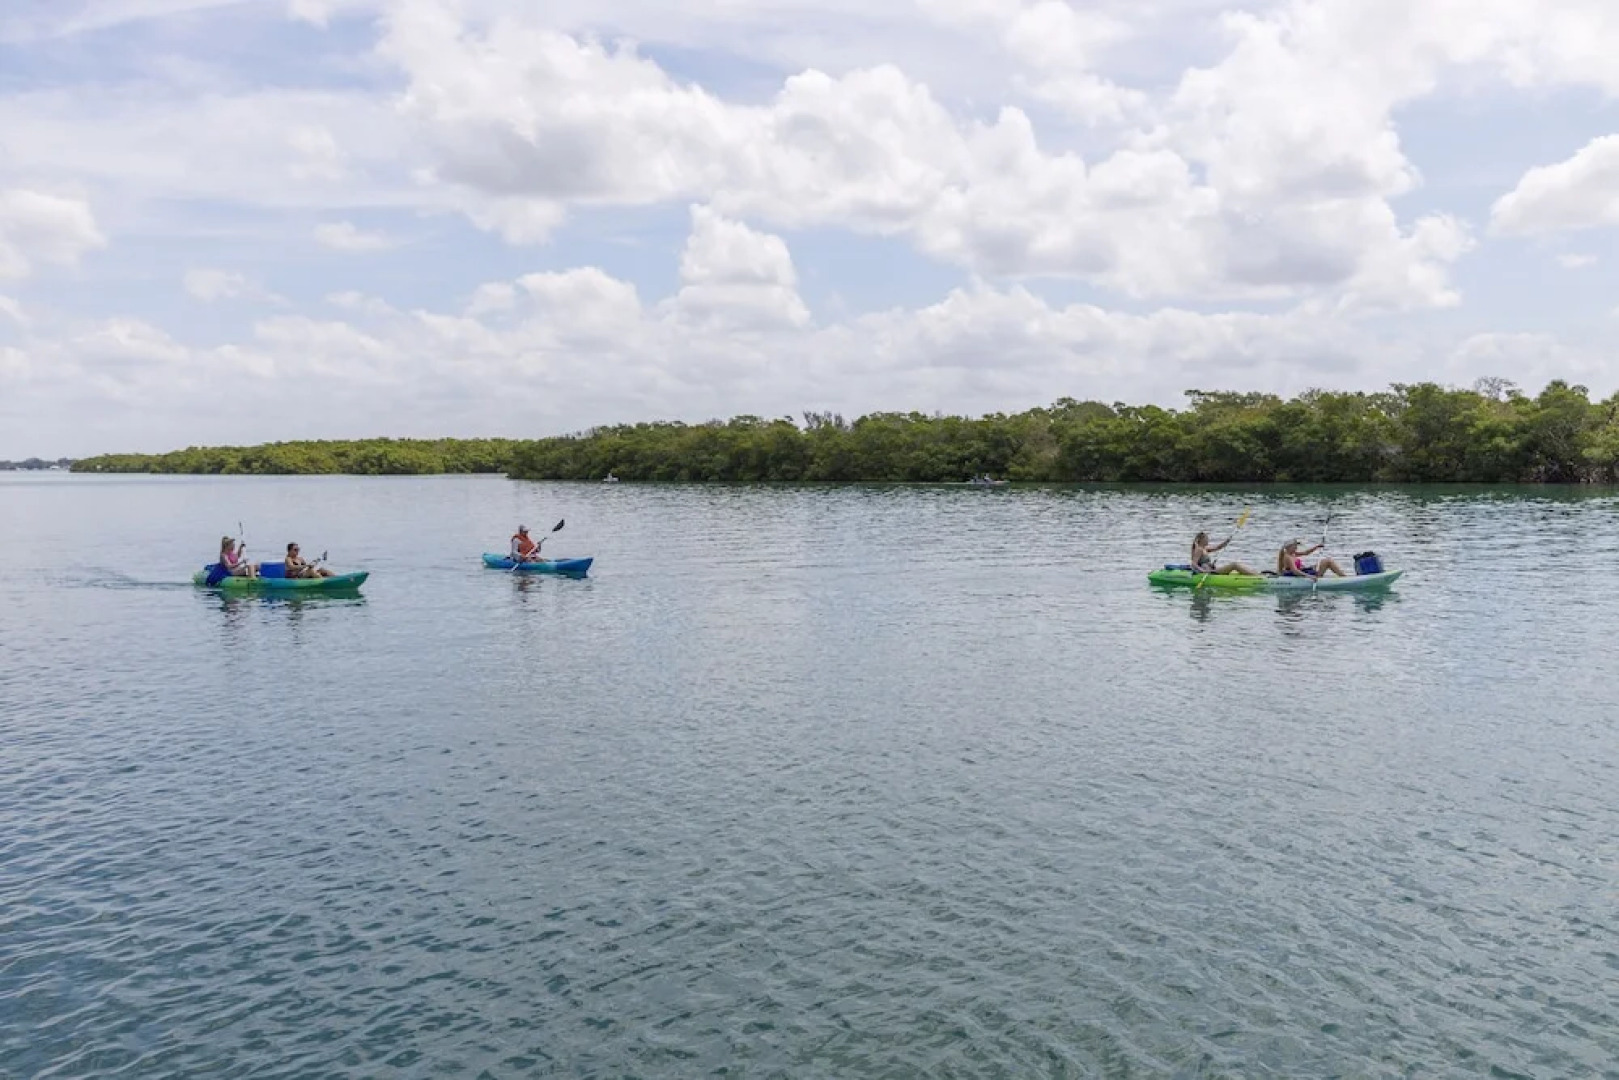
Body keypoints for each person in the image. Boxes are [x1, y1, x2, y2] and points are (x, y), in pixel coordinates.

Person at [1191, 531, 1256, 576]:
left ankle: (1255, 573)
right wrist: (1202, 570)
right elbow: (1194, 563)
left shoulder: (1204, 549)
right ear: (1202, 540)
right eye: (1206, 539)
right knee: (1234, 565)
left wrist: (1227, 541)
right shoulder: (1199, 549)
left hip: (1211, 570)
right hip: (1210, 572)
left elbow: (1218, 547)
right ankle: (1255, 576)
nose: (1208, 540)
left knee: (1235, 565)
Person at [1278, 539, 1346, 578]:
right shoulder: (1287, 557)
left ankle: (1343, 577)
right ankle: (1344, 578)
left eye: (1296, 546)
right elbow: (1295, 571)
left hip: (1303, 573)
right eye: (1295, 546)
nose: (1296, 547)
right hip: (1299, 576)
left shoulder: (1292, 553)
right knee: (1328, 562)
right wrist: (1310, 577)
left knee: (1326, 561)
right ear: (1289, 547)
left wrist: (1317, 547)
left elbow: (1306, 553)